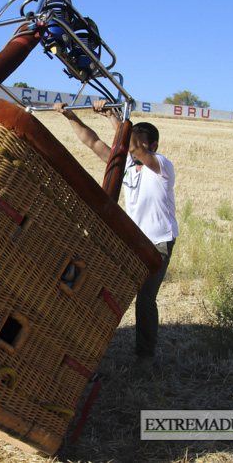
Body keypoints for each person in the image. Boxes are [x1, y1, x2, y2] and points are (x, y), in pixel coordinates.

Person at [55, 99, 178, 368]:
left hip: (158, 243)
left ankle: (145, 357)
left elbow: (131, 145)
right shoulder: (127, 167)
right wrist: (69, 116)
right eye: (134, 142)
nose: (134, 148)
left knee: (145, 300)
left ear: (153, 147)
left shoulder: (160, 166)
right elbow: (93, 142)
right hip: (131, 240)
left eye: (141, 144)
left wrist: (115, 116)